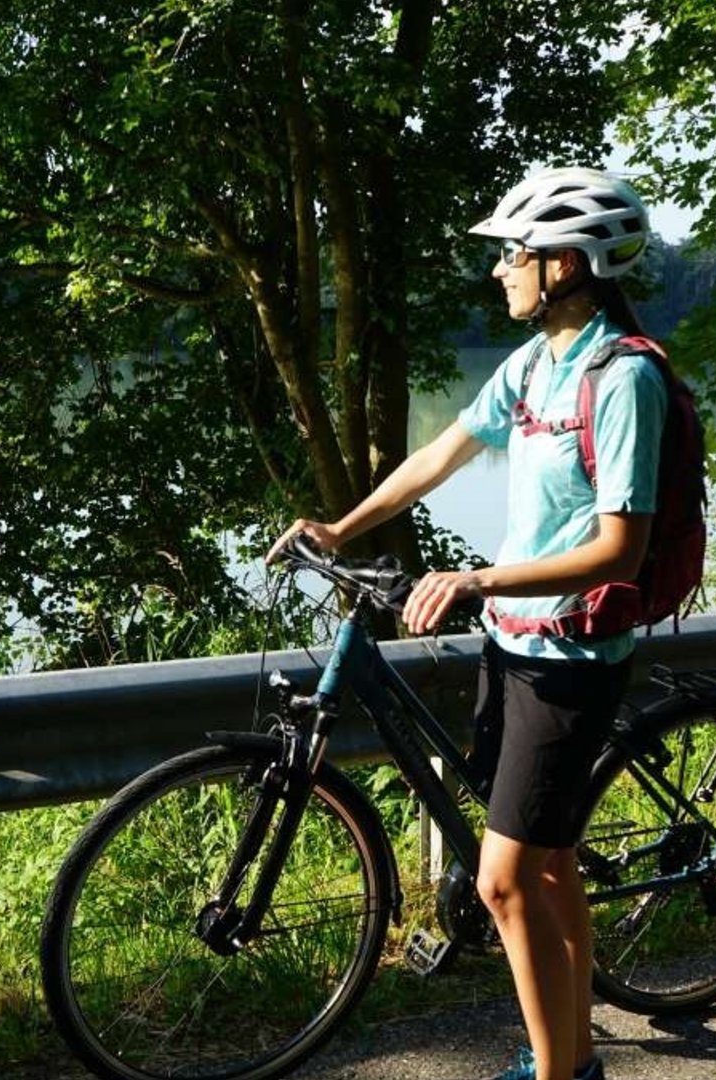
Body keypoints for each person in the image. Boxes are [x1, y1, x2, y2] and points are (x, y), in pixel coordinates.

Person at [269, 166, 666, 1080]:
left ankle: (554, 1073)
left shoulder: (621, 379)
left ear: (567, 265)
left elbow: (620, 551)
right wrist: (340, 523)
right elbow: (441, 454)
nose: (500, 271)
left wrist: (477, 577)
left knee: (503, 880)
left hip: (571, 658)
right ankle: (579, 1055)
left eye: (514, 255)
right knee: (551, 864)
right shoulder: (533, 365)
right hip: (513, 645)